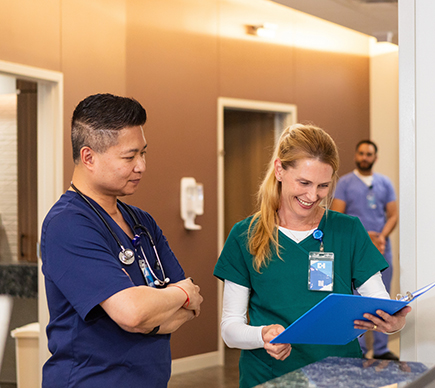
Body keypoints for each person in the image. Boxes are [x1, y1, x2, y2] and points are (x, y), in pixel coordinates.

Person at [213, 124, 409, 388]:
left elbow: (378, 302)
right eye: (304, 183)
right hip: (269, 377)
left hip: (340, 376)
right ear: (280, 169)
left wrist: (392, 323)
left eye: (323, 186)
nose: (312, 195)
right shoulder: (244, 235)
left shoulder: (348, 230)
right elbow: (230, 329)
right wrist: (263, 335)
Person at [40, 93, 203, 388]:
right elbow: (133, 312)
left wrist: (155, 312)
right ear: (88, 157)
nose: (141, 166)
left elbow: (191, 308)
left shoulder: (141, 221)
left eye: (144, 153)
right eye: (130, 157)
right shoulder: (67, 224)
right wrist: (177, 296)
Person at [331, 140, 399, 360]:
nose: (364, 157)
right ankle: (357, 350)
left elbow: (393, 215)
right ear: (355, 155)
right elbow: (337, 216)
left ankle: (380, 349)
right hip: (354, 250)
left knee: (381, 297)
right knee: (354, 299)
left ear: (375, 157)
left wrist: (381, 236)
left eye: (369, 154)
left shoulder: (385, 183)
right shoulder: (345, 183)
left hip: (380, 248)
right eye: (361, 153)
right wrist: (363, 236)